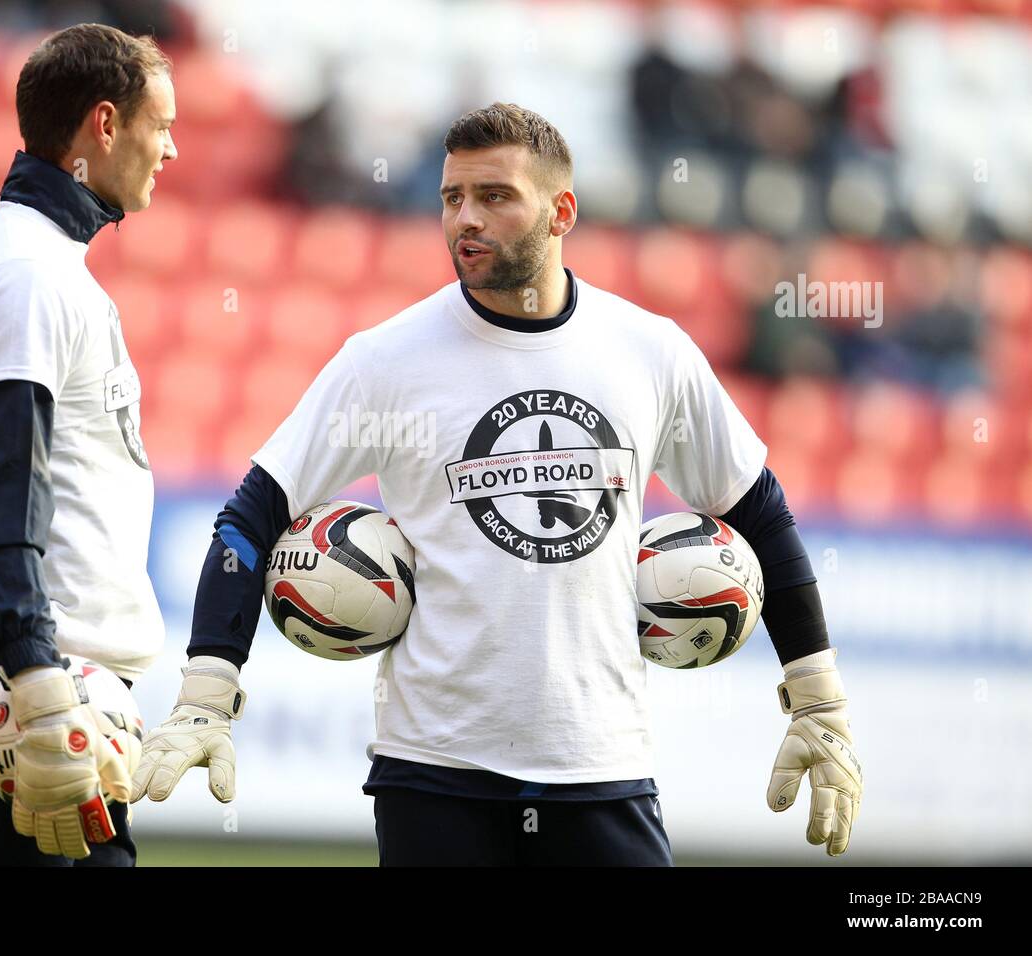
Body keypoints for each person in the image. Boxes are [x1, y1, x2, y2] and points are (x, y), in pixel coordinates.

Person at [131, 102, 862, 866]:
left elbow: (764, 518)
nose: (465, 220)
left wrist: (818, 700)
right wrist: (208, 693)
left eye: (495, 197)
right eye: (452, 199)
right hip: (433, 777)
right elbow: (248, 520)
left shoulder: (649, 353)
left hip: (603, 770)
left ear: (561, 212)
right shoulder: (386, 361)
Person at [0, 23, 176, 866]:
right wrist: (40, 684)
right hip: (23, 679)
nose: (171, 149)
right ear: (104, 124)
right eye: (160, 126)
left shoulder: (40, 262)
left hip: (34, 676)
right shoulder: (27, 274)